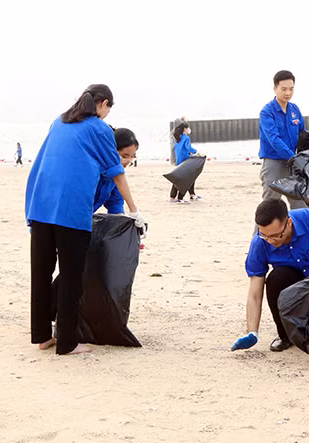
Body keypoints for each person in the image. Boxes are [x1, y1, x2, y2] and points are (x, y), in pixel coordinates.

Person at [25, 84, 145, 355]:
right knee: (71, 276)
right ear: (102, 103)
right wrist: (134, 210)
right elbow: (117, 172)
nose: (106, 115)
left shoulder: (59, 121)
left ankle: (42, 336)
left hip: (41, 205)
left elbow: (42, 162)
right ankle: (67, 342)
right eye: (107, 109)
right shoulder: (99, 127)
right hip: (70, 211)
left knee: (41, 273)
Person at [232, 199, 309, 352]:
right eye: (265, 236)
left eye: (275, 235)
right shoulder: (260, 242)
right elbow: (255, 292)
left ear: (289, 223)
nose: (270, 241)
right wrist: (252, 331)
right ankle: (286, 336)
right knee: (275, 279)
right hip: (293, 281)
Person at [259, 70, 307, 210]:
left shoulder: (294, 109)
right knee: (269, 208)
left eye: (291, 89)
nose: (288, 93)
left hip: (294, 166)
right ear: (275, 89)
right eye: (284, 89)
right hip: (274, 164)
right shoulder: (267, 112)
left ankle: (299, 232)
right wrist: (293, 157)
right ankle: (259, 233)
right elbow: (274, 140)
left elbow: (302, 134)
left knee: (300, 205)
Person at [94, 128, 140, 214]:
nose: (129, 160)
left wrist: (120, 219)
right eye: (125, 156)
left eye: (132, 156)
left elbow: (115, 202)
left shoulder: (116, 178)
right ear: (111, 151)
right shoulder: (93, 169)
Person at [169, 122, 200, 203]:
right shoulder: (186, 138)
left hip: (179, 161)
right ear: (185, 129)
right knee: (188, 179)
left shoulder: (178, 138)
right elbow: (188, 147)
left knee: (178, 179)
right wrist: (196, 152)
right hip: (185, 160)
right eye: (187, 128)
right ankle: (180, 198)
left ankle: (173, 197)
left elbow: (179, 149)